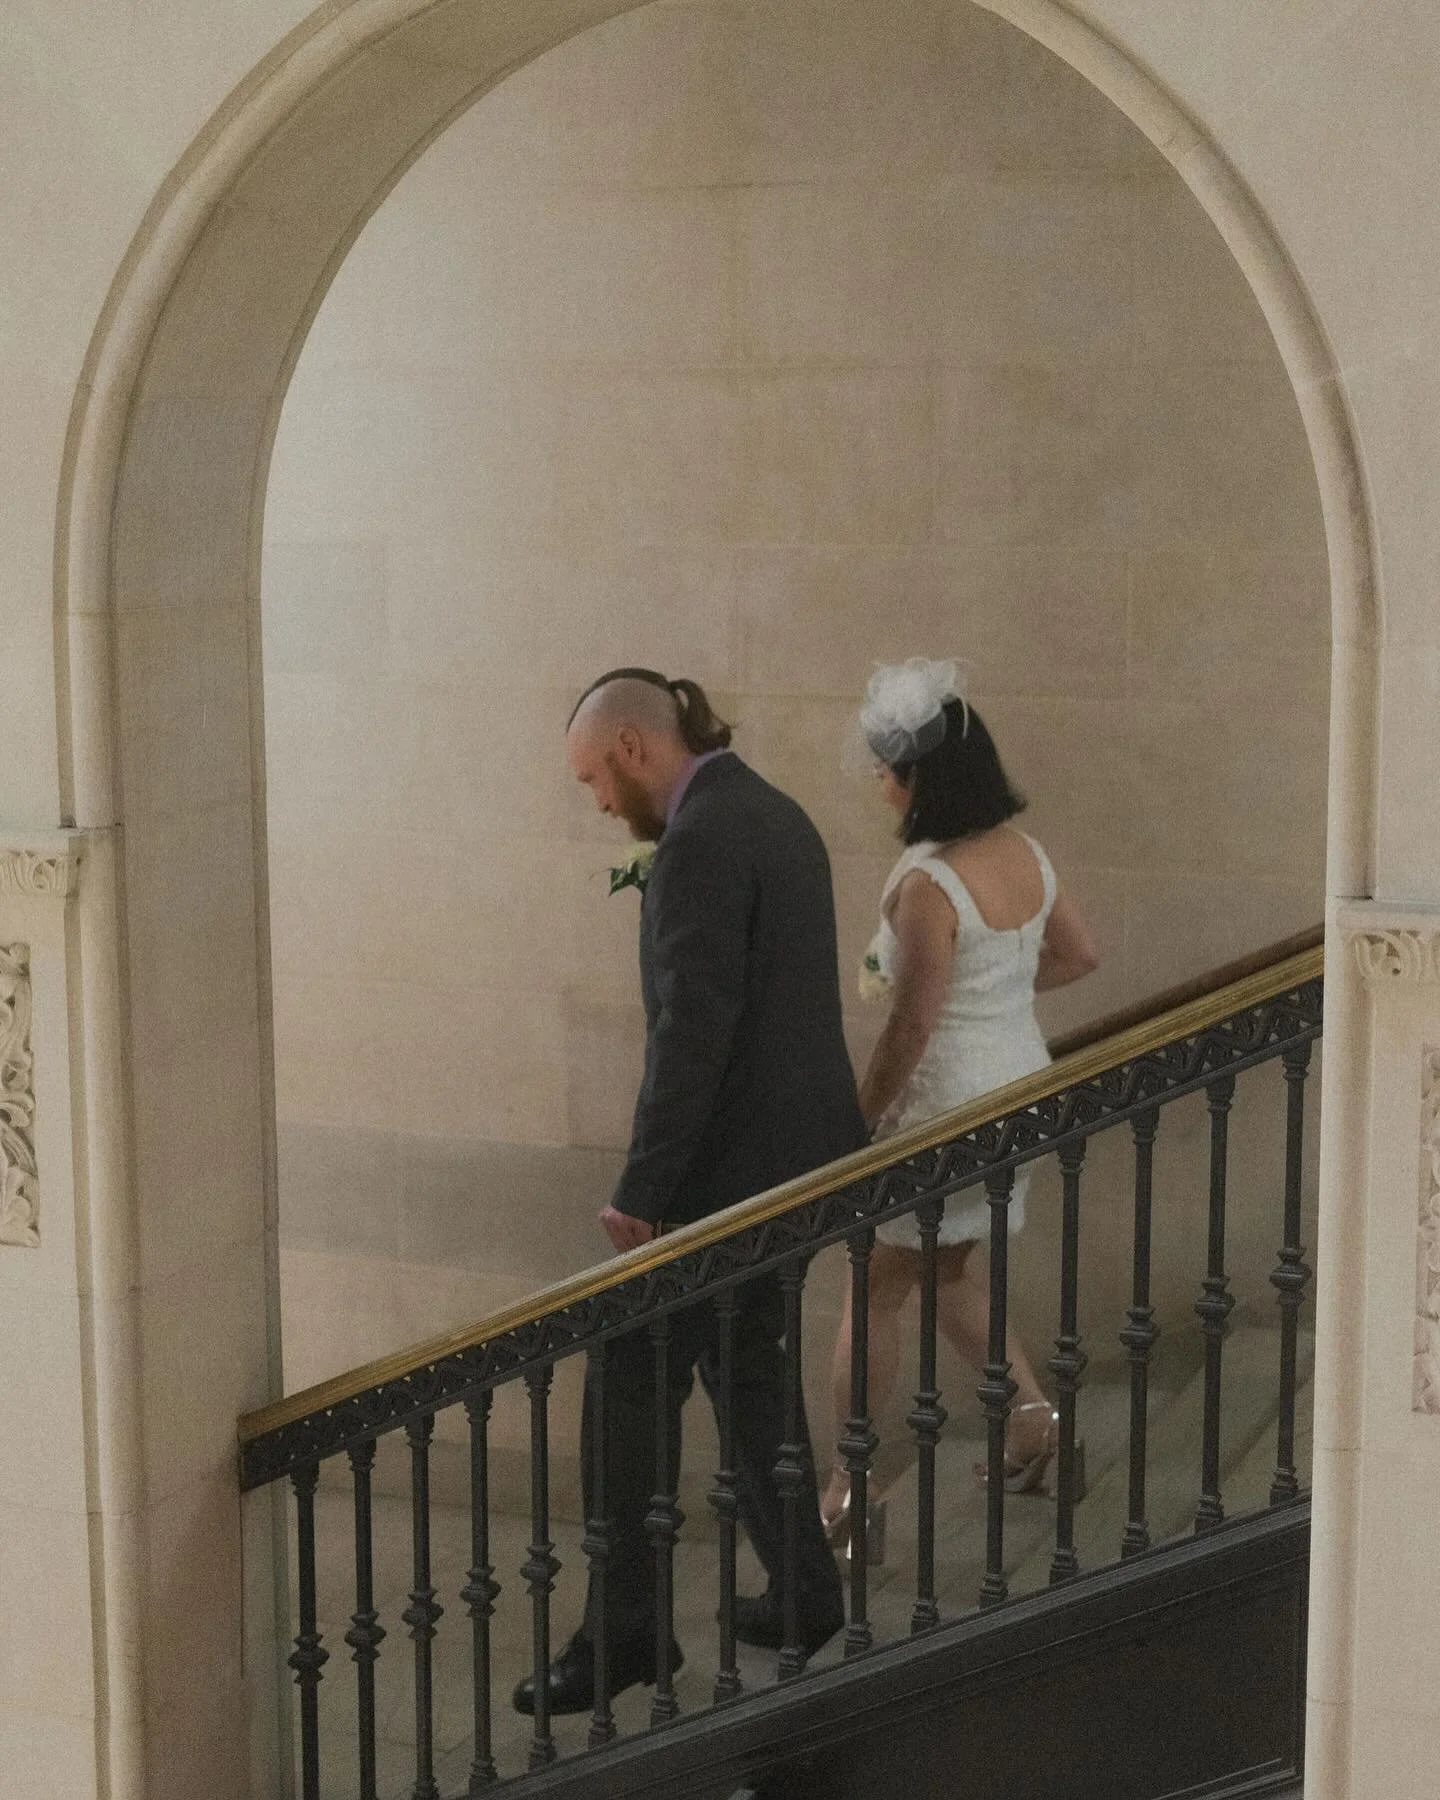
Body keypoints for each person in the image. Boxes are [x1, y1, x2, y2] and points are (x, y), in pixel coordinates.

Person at [515, 669, 860, 1718]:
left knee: (627, 1365)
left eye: (593, 781)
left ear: (631, 746)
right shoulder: (772, 809)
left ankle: (624, 1636)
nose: (599, 807)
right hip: (797, 1163)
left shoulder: (702, 839)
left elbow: (692, 1029)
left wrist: (643, 1187)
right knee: (745, 1370)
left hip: (731, 1176)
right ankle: (803, 1592)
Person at [820, 658, 1100, 1544]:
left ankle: (849, 1489)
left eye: (887, 770)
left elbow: (911, 1025)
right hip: (1017, 1088)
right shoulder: (1027, 854)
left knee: (873, 1288)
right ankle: (1033, 1423)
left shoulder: (927, 886)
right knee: (946, 1275)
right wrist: (999, 1004)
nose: (880, 784)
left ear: (918, 779)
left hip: (941, 1108)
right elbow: (1078, 956)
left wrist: (854, 1125)